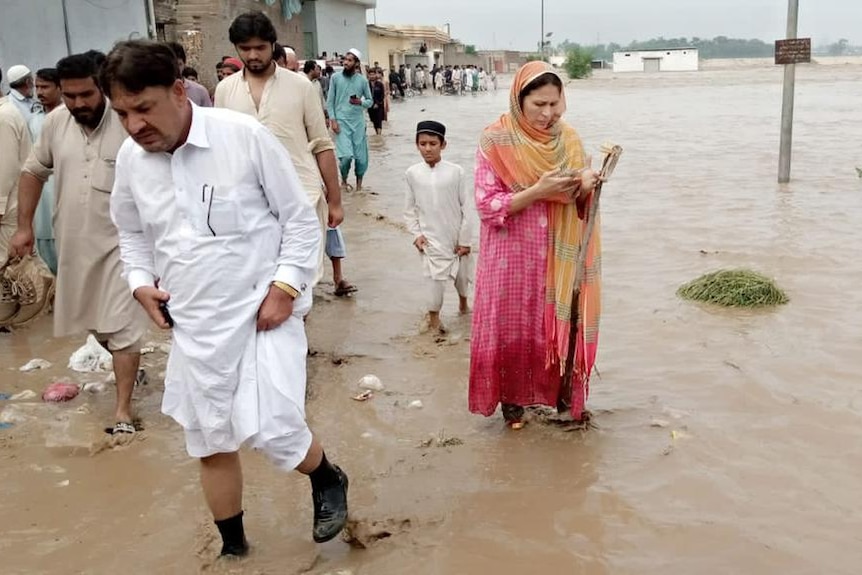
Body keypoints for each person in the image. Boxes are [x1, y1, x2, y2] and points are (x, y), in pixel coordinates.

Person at [102, 39, 349, 557]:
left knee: (276, 427)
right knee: (211, 440)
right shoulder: (130, 158)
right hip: (194, 324)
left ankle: (328, 478)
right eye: (122, 112)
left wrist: (285, 288)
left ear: (177, 90)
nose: (133, 125)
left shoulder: (243, 137)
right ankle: (234, 551)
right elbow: (131, 235)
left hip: (265, 313)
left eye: (143, 108)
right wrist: (140, 283)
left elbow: (300, 221)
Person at [8, 52, 147, 436]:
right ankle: (131, 369)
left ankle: (122, 411)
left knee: (121, 327)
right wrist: (24, 227)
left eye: (85, 94)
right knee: (94, 324)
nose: (77, 104)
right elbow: (34, 170)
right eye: (69, 96)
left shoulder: (128, 121)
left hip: (125, 245)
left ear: (102, 86)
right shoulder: (55, 123)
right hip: (74, 243)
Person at [469, 62, 601, 429]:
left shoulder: (568, 139)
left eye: (554, 104)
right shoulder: (495, 140)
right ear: (519, 100)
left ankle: (560, 398)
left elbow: (575, 201)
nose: (547, 114)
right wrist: (537, 192)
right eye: (538, 105)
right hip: (510, 253)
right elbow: (486, 205)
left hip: (557, 252)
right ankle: (512, 401)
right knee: (513, 325)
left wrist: (585, 185)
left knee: (559, 323)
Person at [215, 11, 345, 290]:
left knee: (301, 283)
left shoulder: (300, 86)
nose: (252, 55)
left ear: (272, 45)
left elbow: (322, 145)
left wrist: (335, 200)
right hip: (249, 204)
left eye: (259, 48)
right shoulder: (225, 90)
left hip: (303, 198)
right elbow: (220, 150)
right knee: (259, 284)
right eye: (245, 49)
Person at [404, 121, 471, 333]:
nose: (427, 148)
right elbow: (409, 209)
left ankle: (463, 304)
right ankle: (434, 321)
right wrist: (416, 235)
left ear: (443, 145)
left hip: (455, 237)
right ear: (417, 145)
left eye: (433, 143)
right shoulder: (412, 173)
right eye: (422, 143)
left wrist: (466, 240)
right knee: (434, 284)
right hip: (431, 240)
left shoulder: (456, 172)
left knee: (462, 279)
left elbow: (467, 208)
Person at [0, 67, 35, 327]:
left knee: (10, 265)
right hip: (9, 202)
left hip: (7, 204)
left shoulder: (3, 117)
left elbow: (6, 167)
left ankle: (20, 319)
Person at [29, 68, 63, 275]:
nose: (40, 92)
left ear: (60, 88)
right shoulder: (34, 119)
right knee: (44, 236)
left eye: (45, 87)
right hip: (42, 191)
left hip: (63, 186)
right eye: (37, 87)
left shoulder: (69, 117)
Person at [326, 48, 372, 192]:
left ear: (356, 64)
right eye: (345, 59)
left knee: (360, 158)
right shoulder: (335, 78)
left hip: (358, 123)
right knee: (345, 157)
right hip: (341, 122)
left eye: (349, 60)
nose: (346, 62)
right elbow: (330, 101)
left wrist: (360, 102)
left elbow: (370, 101)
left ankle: (359, 188)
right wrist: (332, 119)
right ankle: (344, 180)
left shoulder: (363, 81)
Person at [167, 42, 212, 107]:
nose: (175, 69)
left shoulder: (199, 91)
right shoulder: (157, 92)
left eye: (179, 64)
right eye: (171, 65)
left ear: (184, 64)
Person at [367, 68, 385, 135]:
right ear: (368, 75)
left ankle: (379, 135)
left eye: (373, 74)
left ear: (375, 75)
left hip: (379, 106)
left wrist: (377, 103)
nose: (372, 76)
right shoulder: (366, 85)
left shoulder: (380, 84)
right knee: (374, 121)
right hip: (370, 106)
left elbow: (382, 95)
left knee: (379, 120)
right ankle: (377, 133)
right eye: (370, 75)